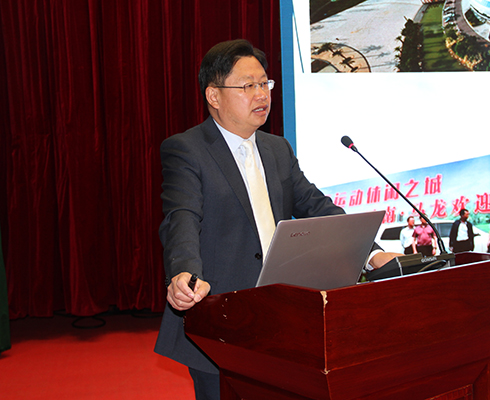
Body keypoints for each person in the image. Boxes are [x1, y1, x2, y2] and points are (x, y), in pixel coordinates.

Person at [153, 39, 401, 400]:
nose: (261, 94)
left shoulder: (277, 149)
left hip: (281, 314)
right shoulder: (187, 149)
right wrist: (184, 273)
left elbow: (317, 207)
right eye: (247, 86)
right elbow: (182, 217)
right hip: (220, 316)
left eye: (264, 83)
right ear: (214, 95)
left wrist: (372, 253)